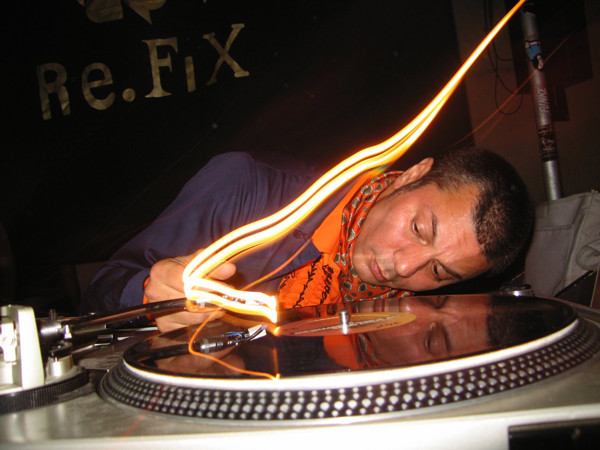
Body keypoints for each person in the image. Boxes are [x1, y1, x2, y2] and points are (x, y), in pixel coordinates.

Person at [81, 147, 533, 332]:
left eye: (437, 271)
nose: (403, 267)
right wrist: (148, 294)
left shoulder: (405, 324)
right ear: (412, 175)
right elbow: (98, 294)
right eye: (419, 229)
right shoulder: (243, 187)